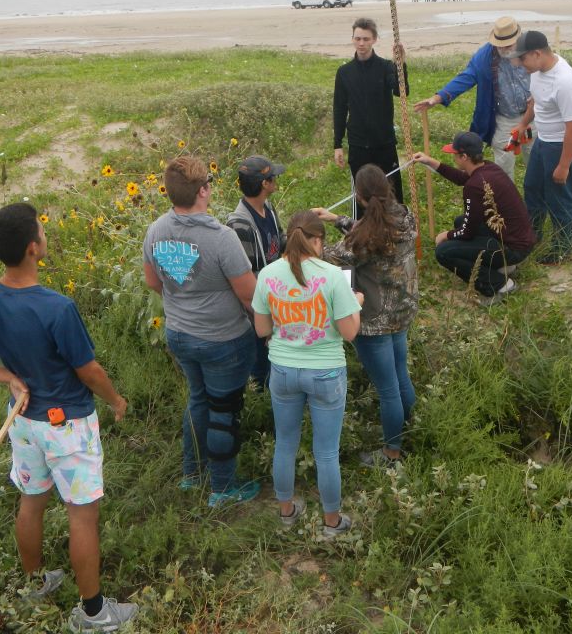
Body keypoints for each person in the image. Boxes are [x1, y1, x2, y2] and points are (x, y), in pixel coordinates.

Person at [0, 203, 137, 633]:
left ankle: (35, 584)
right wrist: (115, 400)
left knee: (32, 501)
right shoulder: (56, 307)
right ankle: (94, 614)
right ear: (33, 249)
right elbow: (88, 370)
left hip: (24, 421)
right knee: (82, 515)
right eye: (43, 232)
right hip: (67, 424)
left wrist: (7, 376)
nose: (46, 236)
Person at [143, 156, 261, 507]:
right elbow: (250, 294)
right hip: (223, 338)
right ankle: (223, 488)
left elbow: (153, 282)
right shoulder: (221, 238)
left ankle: (192, 474)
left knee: (198, 398)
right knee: (224, 409)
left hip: (179, 333)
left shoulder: (156, 230)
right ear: (204, 190)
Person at [252, 211, 363, 538]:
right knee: (326, 451)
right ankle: (332, 523)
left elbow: (261, 329)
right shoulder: (331, 276)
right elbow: (349, 333)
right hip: (326, 372)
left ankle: (286, 512)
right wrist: (355, 303)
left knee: (285, 444)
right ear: (316, 240)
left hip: (283, 371)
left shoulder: (268, 274)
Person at [314, 164, 419, 467]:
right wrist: (338, 220)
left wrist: (303, 237)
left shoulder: (364, 239)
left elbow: (330, 255)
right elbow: (369, 230)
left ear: (358, 196)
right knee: (400, 377)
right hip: (402, 310)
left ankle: (392, 454)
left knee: (387, 389)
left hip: (373, 319)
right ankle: (407, 429)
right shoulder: (405, 216)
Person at [413, 132, 538, 304]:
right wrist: (430, 161)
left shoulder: (474, 186)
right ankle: (504, 266)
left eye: (455, 155)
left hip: (513, 247)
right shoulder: (488, 168)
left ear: (464, 156)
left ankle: (500, 284)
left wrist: (446, 235)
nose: (453, 158)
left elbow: (467, 232)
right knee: (459, 221)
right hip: (518, 239)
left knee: (444, 252)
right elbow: (461, 178)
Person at [414, 16, 531, 182]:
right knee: (504, 165)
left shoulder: (531, 48)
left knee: (534, 157)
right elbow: (467, 77)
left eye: (509, 44)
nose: (504, 48)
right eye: (500, 44)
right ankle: (505, 201)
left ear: (518, 38)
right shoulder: (485, 56)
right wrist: (438, 97)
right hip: (506, 118)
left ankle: (537, 204)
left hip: (532, 114)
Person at [510, 30, 572, 264]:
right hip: (543, 140)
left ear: (537, 53)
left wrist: (564, 166)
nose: (520, 65)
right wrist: (524, 123)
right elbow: (535, 100)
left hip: (563, 145)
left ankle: (562, 250)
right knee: (532, 186)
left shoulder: (565, 81)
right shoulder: (538, 71)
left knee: (559, 197)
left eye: (522, 59)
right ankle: (531, 236)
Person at [332, 17, 409, 212]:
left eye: (366, 39)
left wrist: (400, 65)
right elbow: (339, 108)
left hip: (384, 143)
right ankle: (365, 236)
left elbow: (401, 91)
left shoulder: (385, 67)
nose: (361, 43)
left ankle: (397, 232)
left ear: (374, 39)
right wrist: (338, 144)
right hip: (358, 146)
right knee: (362, 198)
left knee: (392, 193)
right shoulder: (344, 72)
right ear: (352, 39)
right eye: (357, 38)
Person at [226, 155, 286, 389]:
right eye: (273, 177)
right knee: (261, 369)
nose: (275, 181)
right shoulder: (240, 226)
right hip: (258, 310)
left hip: (275, 296)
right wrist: (264, 318)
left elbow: (279, 240)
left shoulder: (268, 208)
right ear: (264, 184)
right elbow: (246, 278)